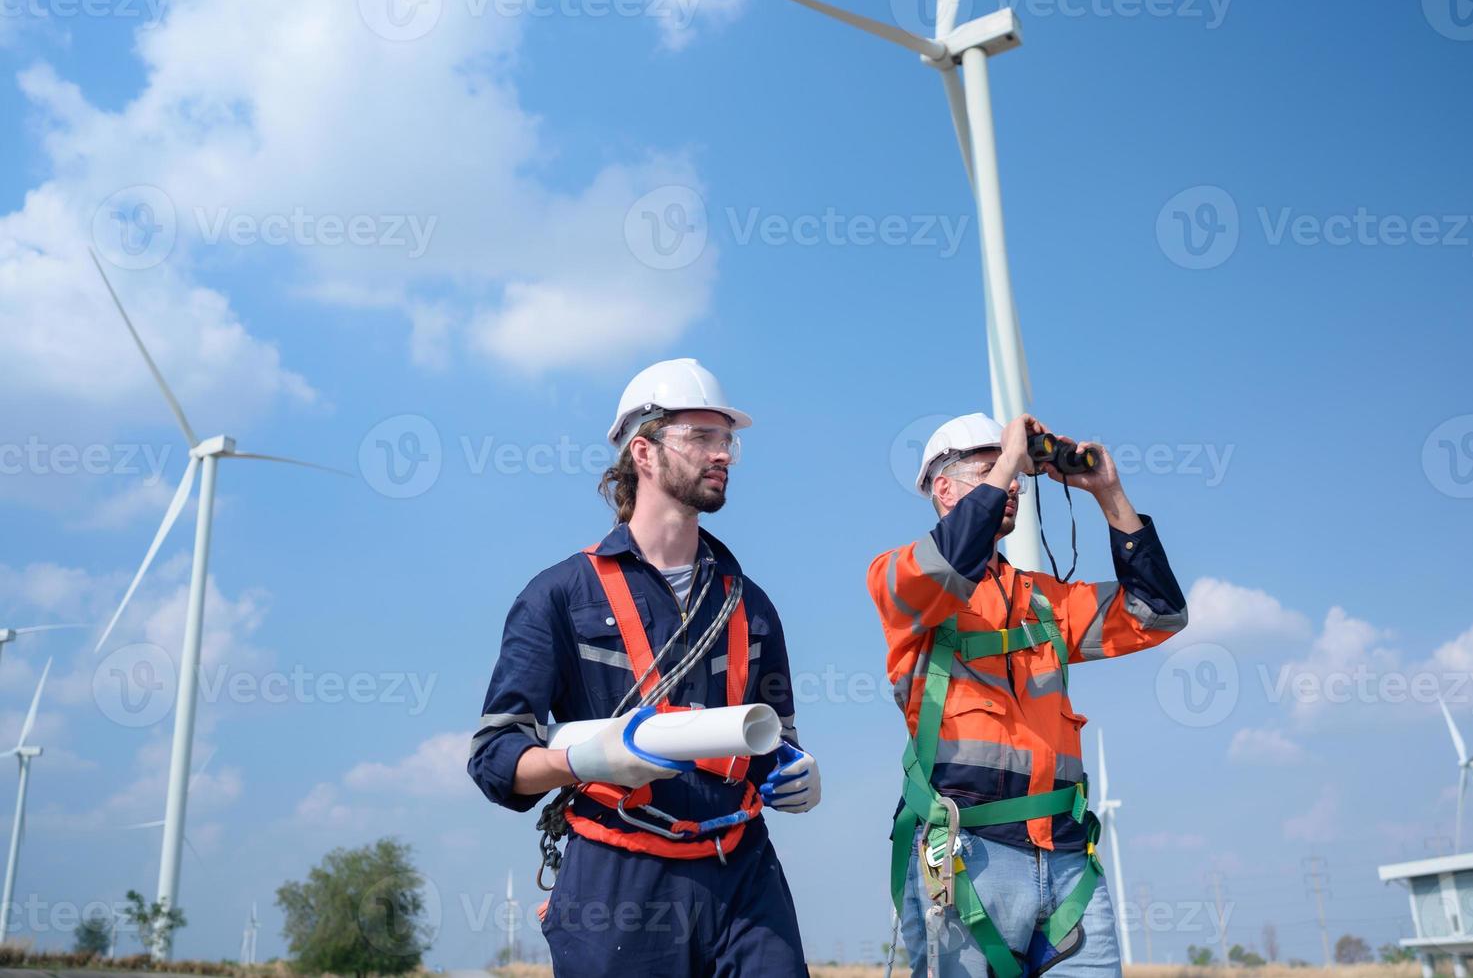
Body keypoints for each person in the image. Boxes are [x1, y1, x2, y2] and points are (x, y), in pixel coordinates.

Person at [468, 358, 819, 977]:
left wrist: (792, 768)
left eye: (726, 438)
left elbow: (775, 742)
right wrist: (577, 762)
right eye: (700, 436)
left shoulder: (751, 605)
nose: (724, 454)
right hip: (617, 878)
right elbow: (494, 756)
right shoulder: (559, 595)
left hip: (741, 871)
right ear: (644, 452)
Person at [867, 411, 1188, 978]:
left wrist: (1108, 493)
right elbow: (947, 564)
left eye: (1015, 472)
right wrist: (1015, 455)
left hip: (1067, 863)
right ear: (943, 488)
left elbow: (1160, 614)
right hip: (969, 854)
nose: (1012, 484)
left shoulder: (1047, 602)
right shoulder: (900, 578)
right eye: (992, 469)